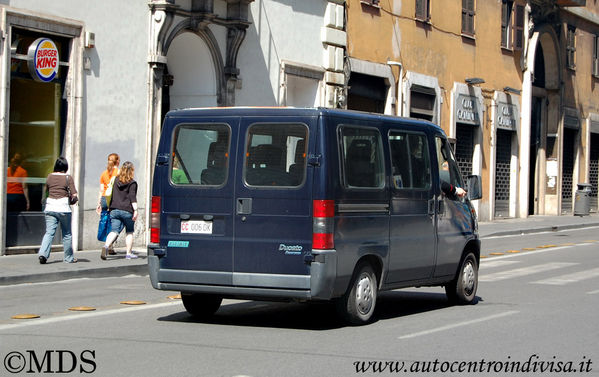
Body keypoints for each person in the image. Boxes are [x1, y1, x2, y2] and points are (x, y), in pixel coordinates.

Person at [38, 157, 78, 264]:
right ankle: (68, 258)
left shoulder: (49, 176)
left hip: (50, 207)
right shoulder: (68, 178)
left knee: (49, 233)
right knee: (67, 234)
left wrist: (44, 199)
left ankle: (43, 254)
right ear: (66, 166)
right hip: (63, 208)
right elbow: (74, 194)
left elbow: (45, 190)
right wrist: (74, 199)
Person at [101, 161, 138, 260]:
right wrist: (136, 210)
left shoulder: (115, 180)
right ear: (132, 171)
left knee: (114, 230)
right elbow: (132, 197)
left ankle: (106, 246)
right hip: (127, 210)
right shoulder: (132, 183)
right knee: (129, 232)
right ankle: (128, 253)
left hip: (114, 209)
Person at [96, 153, 120, 255]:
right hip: (114, 200)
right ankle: (109, 245)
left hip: (104, 199)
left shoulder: (103, 174)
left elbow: (101, 190)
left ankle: (109, 246)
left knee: (106, 221)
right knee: (116, 223)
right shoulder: (119, 172)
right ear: (117, 161)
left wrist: (99, 203)